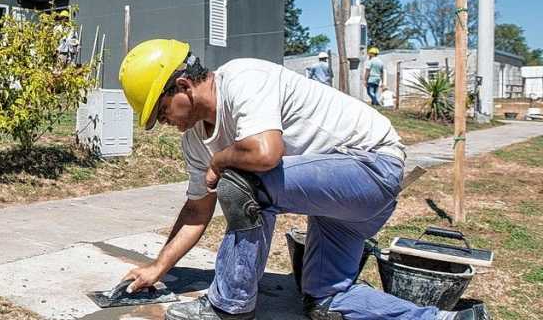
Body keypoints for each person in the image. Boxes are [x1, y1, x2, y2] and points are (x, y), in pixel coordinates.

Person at [117, 39, 488, 320]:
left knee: (242, 180)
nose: (161, 122)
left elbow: (265, 153)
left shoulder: (243, 77)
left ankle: (227, 307)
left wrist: (221, 160)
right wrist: (157, 267)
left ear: (182, 86)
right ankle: (446, 318)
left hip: (372, 167)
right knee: (325, 298)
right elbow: (197, 210)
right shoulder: (195, 139)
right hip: (335, 206)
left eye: (160, 111)